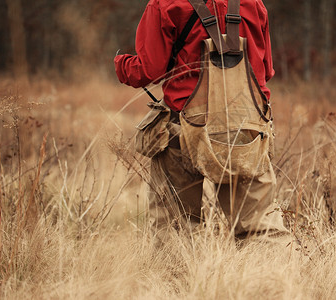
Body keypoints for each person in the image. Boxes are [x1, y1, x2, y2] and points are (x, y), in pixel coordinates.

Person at [114, 0, 289, 240]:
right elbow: (266, 70)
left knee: (175, 227)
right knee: (259, 228)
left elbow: (148, 71)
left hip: (183, 125)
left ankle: (179, 277)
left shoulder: (164, 4)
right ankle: (267, 278)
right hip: (246, 126)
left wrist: (121, 64)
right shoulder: (253, 3)